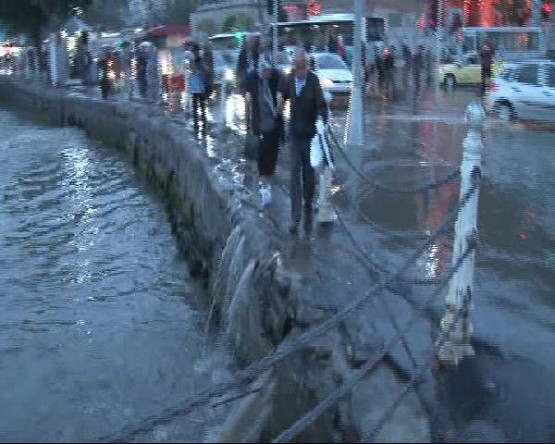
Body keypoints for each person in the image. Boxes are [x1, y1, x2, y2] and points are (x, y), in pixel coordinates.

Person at [278, 47, 329, 235]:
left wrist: (322, 120)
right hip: (294, 133)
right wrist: (279, 99)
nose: (298, 70)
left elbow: (322, 105)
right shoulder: (290, 78)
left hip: (309, 134)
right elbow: (283, 93)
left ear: (306, 64)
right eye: (296, 66)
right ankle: (295, 216)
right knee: (294, 174)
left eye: (301, 66)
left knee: (308, 173)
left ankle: (308, 202)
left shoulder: (313, 80)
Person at [245, 53, 283, 206]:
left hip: (273, 123)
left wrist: (281, 97)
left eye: (269, 71)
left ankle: (268, 179)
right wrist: (247, 94)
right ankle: (263, 185)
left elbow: (283, 88)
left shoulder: (276, 77)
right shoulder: (253, 77)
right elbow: (245, 86)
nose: (268, 74)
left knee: (272, 153)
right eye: (265, 71)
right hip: (259, 123)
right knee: (260, 155)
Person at [188, 43, 208, 134]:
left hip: (199, 88)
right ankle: (199, 125)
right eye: (194, 52)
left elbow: (204, 71)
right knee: (198, 107)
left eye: (195, 51)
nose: (195, 53)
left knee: (200, 107)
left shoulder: (199, 61)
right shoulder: (193, 61)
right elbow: (192, 72)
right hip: (196, 88)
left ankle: (202, 125)